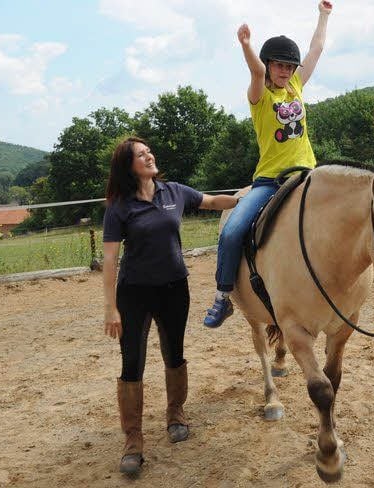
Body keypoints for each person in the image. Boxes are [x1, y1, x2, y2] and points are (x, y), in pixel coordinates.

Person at [102, 136, 238, 475]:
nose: (149, 156)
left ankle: (176, 414)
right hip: (134, 293)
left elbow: (212, 202)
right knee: (132, 363)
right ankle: (133, 440)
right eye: (141, 154)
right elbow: (110, 260)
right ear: (128, 166)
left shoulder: (174, 191)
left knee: (174, 353)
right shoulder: (119, 207)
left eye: (149, 151)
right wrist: (110, 308)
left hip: (175, 288)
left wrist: (247, 198)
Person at [202, 0, 333, 328]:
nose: (285, 71)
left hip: (307, 176)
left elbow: (316, 49)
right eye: (279, 65)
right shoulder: (260, 97)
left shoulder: (296, 86)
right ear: (268, 65)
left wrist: (324, 15)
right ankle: (223, 297)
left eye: (289, 66)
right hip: (270, 181)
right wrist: (246, 46)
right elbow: (256, 72)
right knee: (232, 231)